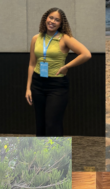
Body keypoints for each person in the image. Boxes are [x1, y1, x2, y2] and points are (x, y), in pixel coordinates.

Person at [24, 7, 92, 136]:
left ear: (61, 24)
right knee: (40, 123)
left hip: (57, 86)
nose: (52, 21)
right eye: (50, 18)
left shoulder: (65, 38)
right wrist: (28, 88)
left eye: (57, 20)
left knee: (52, 123)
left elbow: (86, 54)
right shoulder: (36, 38)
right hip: (38, 84)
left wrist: (66, 67)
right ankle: (42, 154)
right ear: (45, 19)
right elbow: (32, 64)